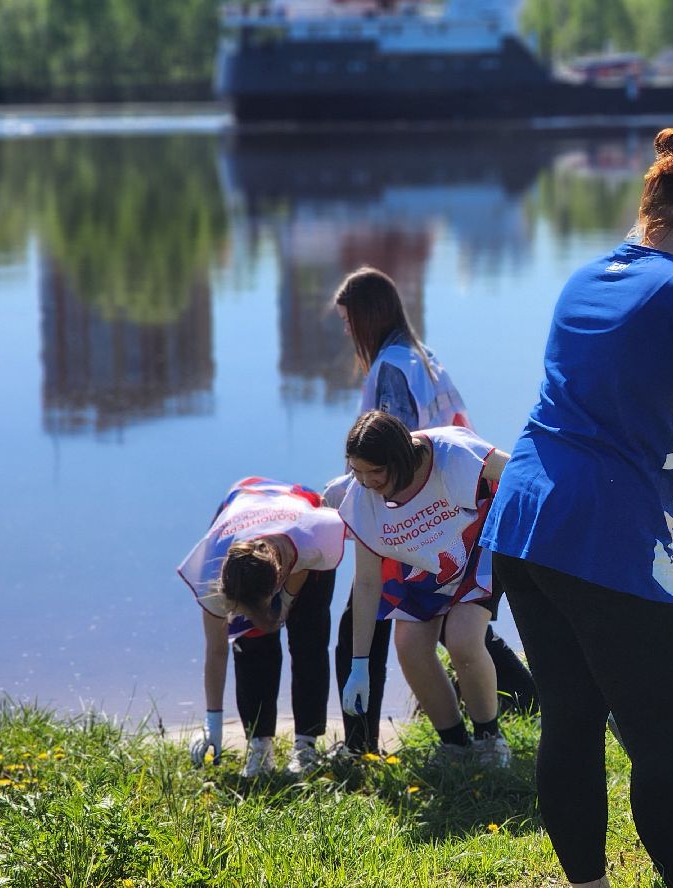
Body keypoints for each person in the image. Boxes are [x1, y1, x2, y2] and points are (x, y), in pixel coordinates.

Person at [484, 128, 673, 888]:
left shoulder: (583, 280)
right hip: (608, 533)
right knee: (665, 746)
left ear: (645, 209)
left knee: (571, 720)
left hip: (524, 521)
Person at [331, 265, 470, 754]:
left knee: (360, 623)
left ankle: (359, 746)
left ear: (368, 316)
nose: (346, 331)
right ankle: (522, 702)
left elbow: (389, 445)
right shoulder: (421, 356)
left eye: (348, 320)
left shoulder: (391, 366)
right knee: (456, 618)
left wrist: (348, 492)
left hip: (405, 511)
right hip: (449, 508)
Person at [335, 410, 511, 766]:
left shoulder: (453, 452)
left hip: (477, 547)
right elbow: (368, 582)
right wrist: (359, 663)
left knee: (463, 639)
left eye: (376, 471)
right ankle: (454, 744)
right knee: (409, 647)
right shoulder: (363, 496)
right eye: (358, 471)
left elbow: (519, 474)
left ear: (400, 457)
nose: (367, 481)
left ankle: (489, 740)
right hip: (422, 563)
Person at [177, 477, 345, 778]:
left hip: (300, 519)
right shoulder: (213, 571)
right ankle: (259, 745)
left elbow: (303, 563)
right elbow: (216, 651)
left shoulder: (318, 534)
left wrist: (288, 600)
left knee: (309, 639)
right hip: (243, 509)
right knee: (252, 645)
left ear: (277, 582)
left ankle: (306, 745)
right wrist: (212, 724)